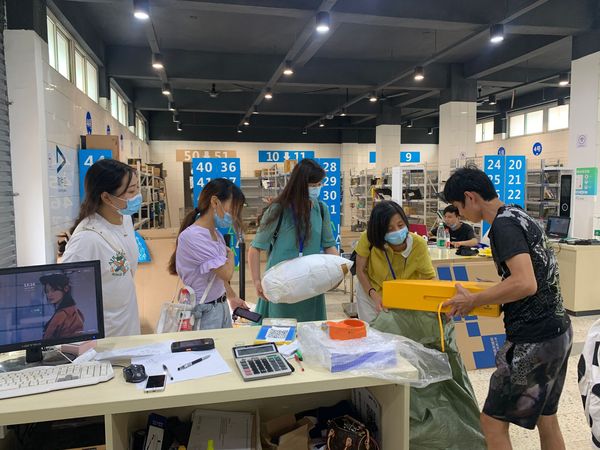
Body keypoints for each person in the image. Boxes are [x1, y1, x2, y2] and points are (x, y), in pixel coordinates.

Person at [442, 167, 572, 450]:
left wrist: (474, 300)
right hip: (558, 331)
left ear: (470, 197)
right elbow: (527, 276)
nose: (460, 214)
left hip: (533, 341)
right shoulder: (517, 214)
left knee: (492, 422)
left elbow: (525, 283)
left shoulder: (502, 226)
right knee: (546, 417)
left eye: (458, 207)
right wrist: (489, 291)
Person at [248, 158, 338, 322]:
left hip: (311, 283)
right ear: (300, 185)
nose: (317, 188)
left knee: (310, 329)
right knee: (281, 329)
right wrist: (256, 281)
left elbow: (329, 245)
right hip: (281, 283)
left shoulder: (321, 209)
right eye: (313, 185)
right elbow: (255, 248)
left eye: (319, 184)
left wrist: (339, 270)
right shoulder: (278, 210)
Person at [60, 159, 141, 337]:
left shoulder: (125, 219)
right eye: (131, 191)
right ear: (106, 197)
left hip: (127, 324)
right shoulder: (86, 240)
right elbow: (67, 295)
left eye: (137, 188)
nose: (137, 196)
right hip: (103, 336)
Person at [168, 178, 248, 330]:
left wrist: (232, 297)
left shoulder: (216, 234)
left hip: (220, 306)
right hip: (203, 311)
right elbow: (225, 273)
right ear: (215, 202)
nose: (234, 215)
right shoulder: (193, 236)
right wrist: (231, 256)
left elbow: (218, 277)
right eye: (233, 209)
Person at [354, 200, 435, 323]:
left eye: (400, 225)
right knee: (373, 331)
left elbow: (430, 278)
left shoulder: (418, 244)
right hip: (371, 293)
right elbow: (360, 270)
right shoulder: (369, 237)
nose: (397, 231)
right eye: (389, 229)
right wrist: (373, 295)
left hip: (403, 298)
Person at [40, 273, 84, 340]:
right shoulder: (74, 310)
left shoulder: (62, 314)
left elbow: (47, 340)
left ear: (66, 288)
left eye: (53, 290)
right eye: (47, 291)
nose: (49, 294)